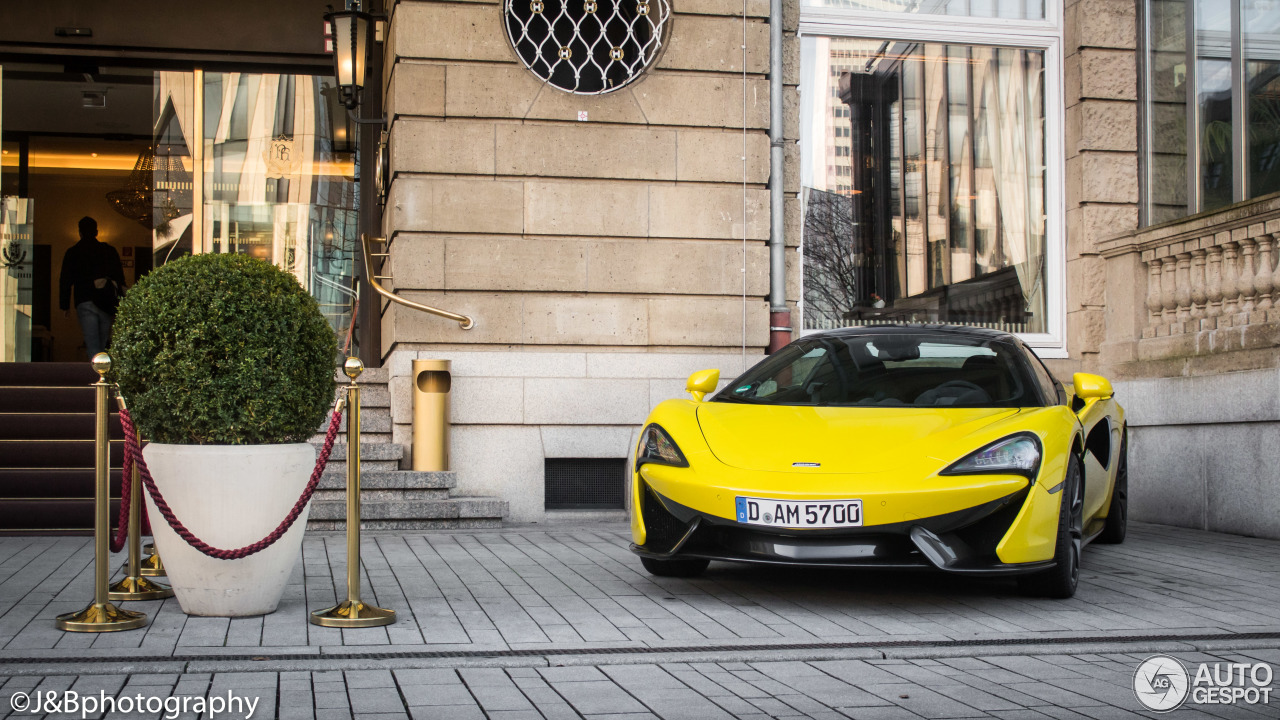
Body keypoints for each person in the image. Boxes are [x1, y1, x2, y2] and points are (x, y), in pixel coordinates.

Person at [58, 216, 126, 359]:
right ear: (96, 232)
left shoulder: (73, 252)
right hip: (106, 300)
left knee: (92, 343)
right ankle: (104, 373)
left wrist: (65, 305)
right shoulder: (108, 250)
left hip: (84, 299)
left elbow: (65, 279)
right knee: (104, 342)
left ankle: (96, 373)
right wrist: (121, 298)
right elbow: (119, 277)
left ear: (80, 232)